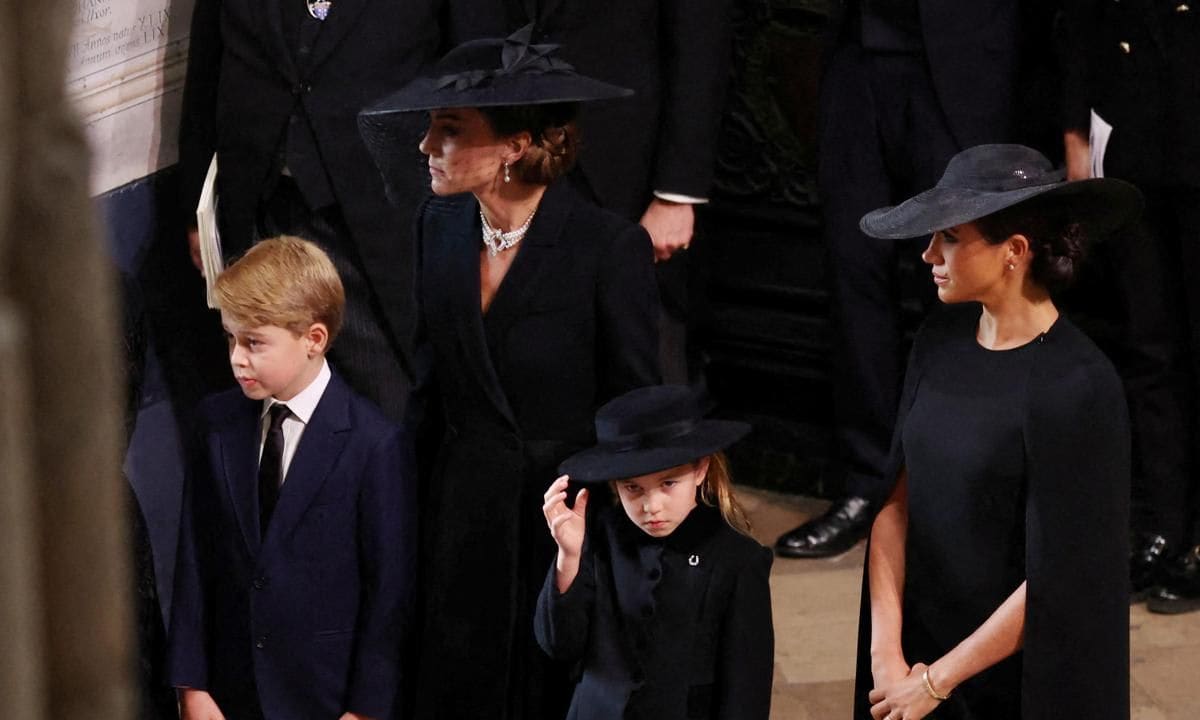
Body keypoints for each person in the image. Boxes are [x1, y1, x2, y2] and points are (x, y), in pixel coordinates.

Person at [359, 26, 661, 720]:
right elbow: (430, 386)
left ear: (515, 147)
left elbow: (632, 412)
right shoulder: (436, 227)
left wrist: (600, 547)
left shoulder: (606, 249)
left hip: (555, 523)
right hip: (458, 517)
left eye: (448, 130)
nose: (425, 147)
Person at [853, 145, 1137, 720]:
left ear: (1014, 252)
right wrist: (887, 655)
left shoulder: (1078, 385)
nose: (929, 253)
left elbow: (1063, 576)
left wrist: (938, 682)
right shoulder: (938, 340)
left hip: (1022, 683)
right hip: (917, 659)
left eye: (950, 237)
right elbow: (896, 505)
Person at [776, 0, 1023, 559]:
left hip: (966, 61)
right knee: (853, 276)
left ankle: (963, 493)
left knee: (966, 281)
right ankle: (868, 488)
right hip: (856, 55)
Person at [167, 237, 416, 720]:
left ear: (314, 340)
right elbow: (194, 561)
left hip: (325, 697)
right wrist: (191, 685)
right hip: (230, 694)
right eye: (231, 338)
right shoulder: (216, 424)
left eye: (254, 342)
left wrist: (365, 710)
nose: (237, 358)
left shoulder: (373, 443)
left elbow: (390, 595)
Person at [177, 0, 457, 419]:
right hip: (259, 206)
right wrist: (194, 209)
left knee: (387, 399)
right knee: (278, 404)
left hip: (380, 215)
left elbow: (472, 66)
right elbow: (205, 73)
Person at [464, 1, 736, 382]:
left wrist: (676, 193)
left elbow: (701, 39)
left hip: (627, 174)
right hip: (503, 157)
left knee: (645, 387)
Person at [1059, 0, 1200, 612]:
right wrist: (1074, 144)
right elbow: (1075, 28)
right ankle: (1169, 526)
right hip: (1130, 141)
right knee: (1150, 348)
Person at [535, 384, 774, 720]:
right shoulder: (598, 535)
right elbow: (558, 645)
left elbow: (746, 692)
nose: (651, 506)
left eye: (668, 484)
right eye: (633, 488)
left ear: (701, 470)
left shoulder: (738, 560)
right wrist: (569, 556)